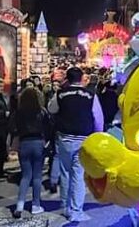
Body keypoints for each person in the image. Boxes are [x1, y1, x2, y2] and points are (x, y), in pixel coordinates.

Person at [48, 67, 104, 222]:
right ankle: (76, 210)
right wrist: (98, 136)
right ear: (81, 79)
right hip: (82, 139)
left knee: (65, 173)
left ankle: (66, 206)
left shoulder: (61, 94)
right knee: (78, 175)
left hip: (64, 138)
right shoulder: (90, 95)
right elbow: (98, 118)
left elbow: (51, 109)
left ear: (68, 78)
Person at [9, 86, 51, 218]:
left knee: (26, 176)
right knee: (37, 177)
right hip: (38, 142)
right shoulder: (42, 111)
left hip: (24, 143)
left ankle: (19, 205)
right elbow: (49, 127)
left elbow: (11, 127)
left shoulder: (18, 112)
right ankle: (36, 205)